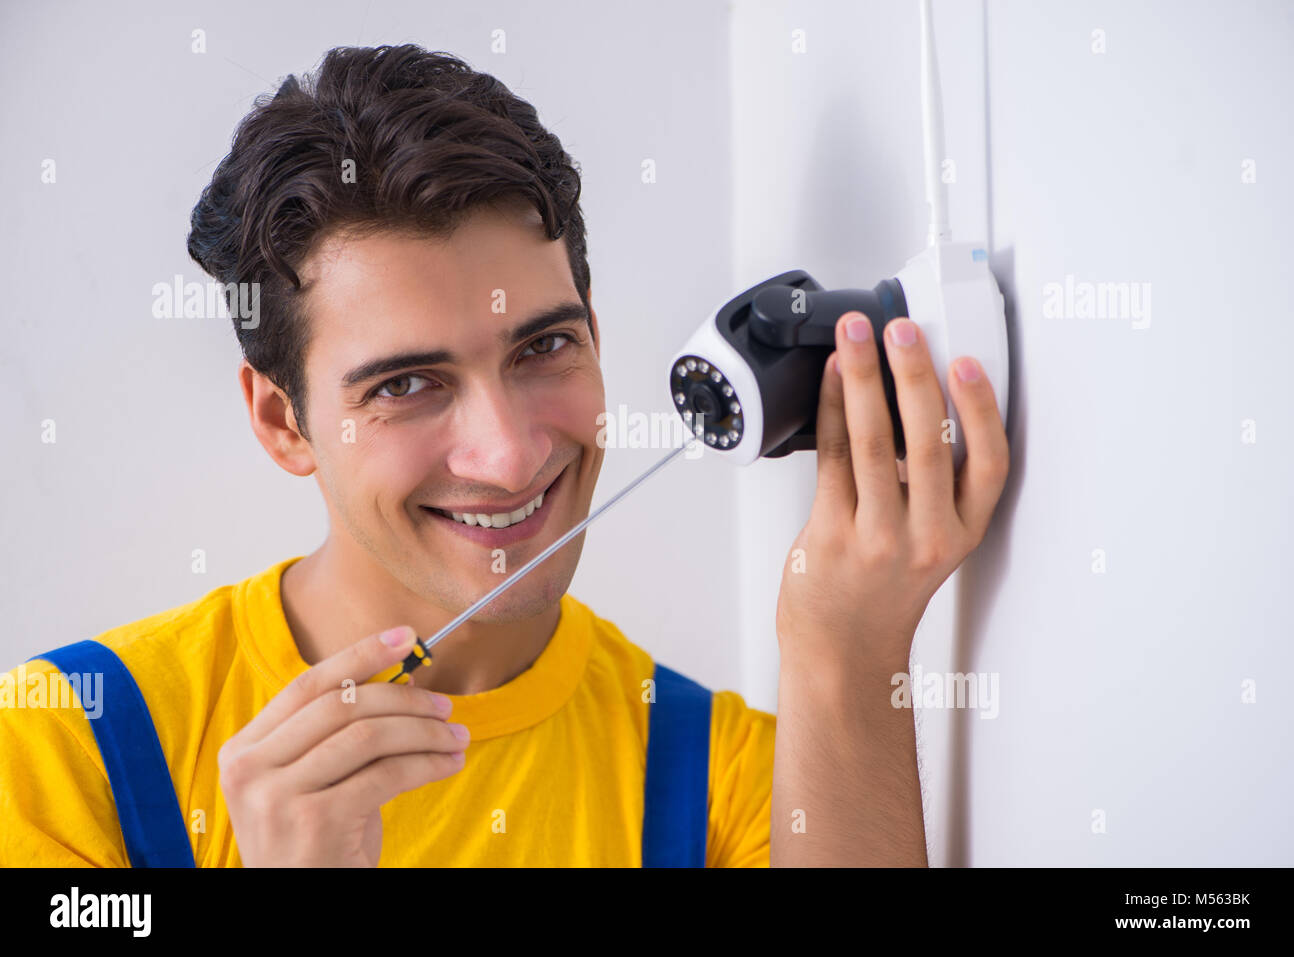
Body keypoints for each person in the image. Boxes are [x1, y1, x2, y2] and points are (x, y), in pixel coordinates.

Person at [0, 44, 1009, 867]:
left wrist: (843, 650)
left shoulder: (730, 784)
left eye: (543, 347)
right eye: (404, 385)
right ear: (282, 423)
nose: (511, 450)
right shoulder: (60, 749)